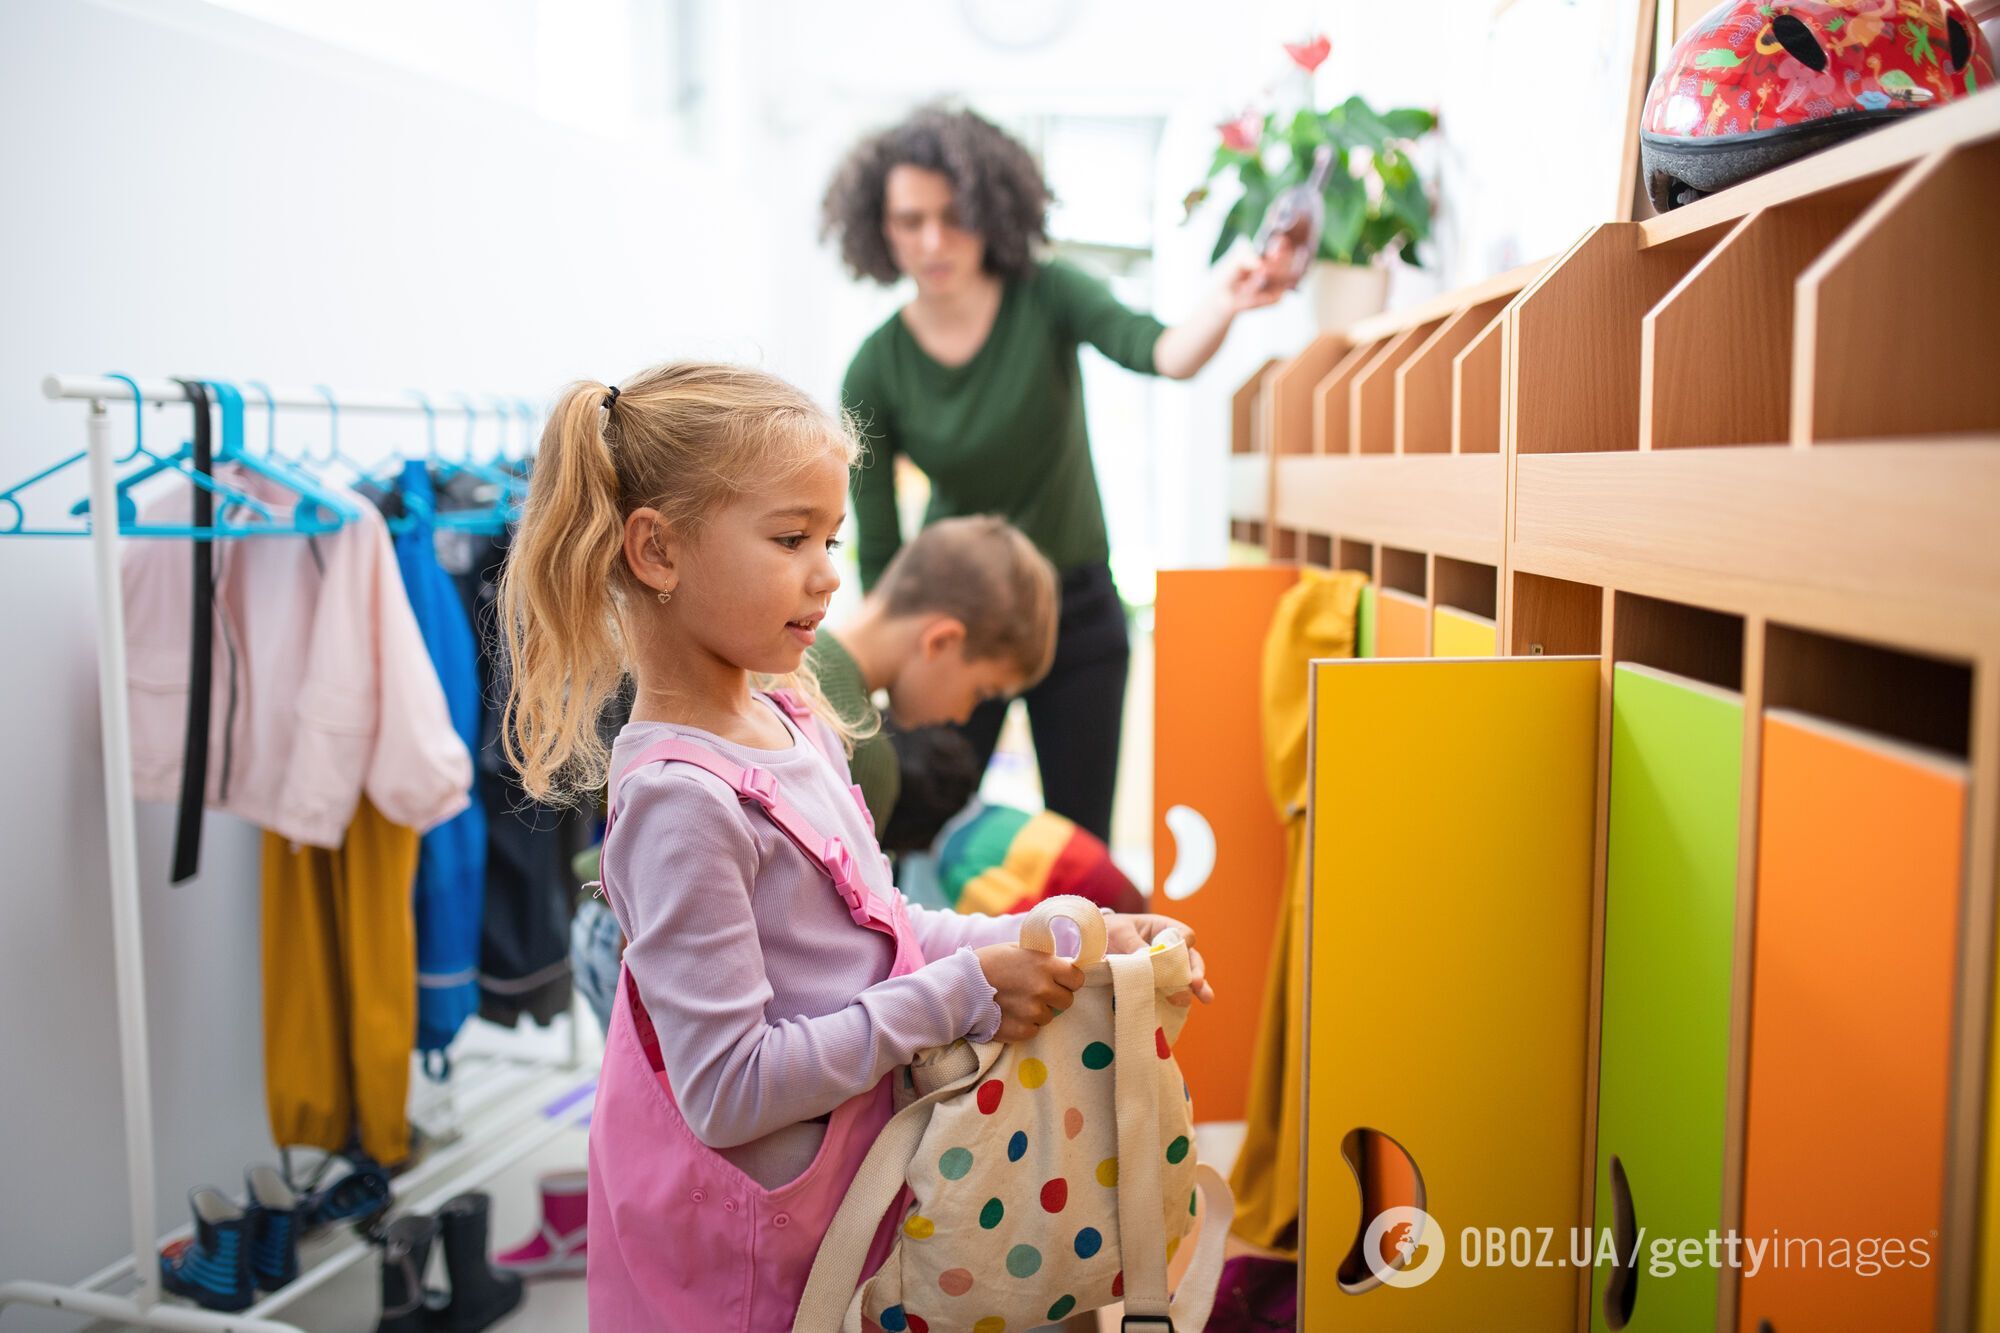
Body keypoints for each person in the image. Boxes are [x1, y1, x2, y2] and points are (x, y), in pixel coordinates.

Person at [498, 362, 1209, 1328]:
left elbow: (881, 929)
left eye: (830, 539)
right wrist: (958, 993)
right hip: (749, 1275)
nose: (830, 571)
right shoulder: (679, 802)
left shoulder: (796, 716)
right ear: (657, 551)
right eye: (791, 538)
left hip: (842, 1221)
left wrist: (1061, 934)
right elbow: (729, 1089)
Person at [824, 103, 1283, 843]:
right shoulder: (875, 367)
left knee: (1080, 835)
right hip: (954, 626)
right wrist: (880, 680)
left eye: (953, 216)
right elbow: (880, 552)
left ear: (991, 210)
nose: (933, 241)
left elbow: (1160, 352)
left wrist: (1226, 301)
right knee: (926, 828)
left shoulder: (1048, 294)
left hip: (1078, 611)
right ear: (880, 228)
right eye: (910, 220)